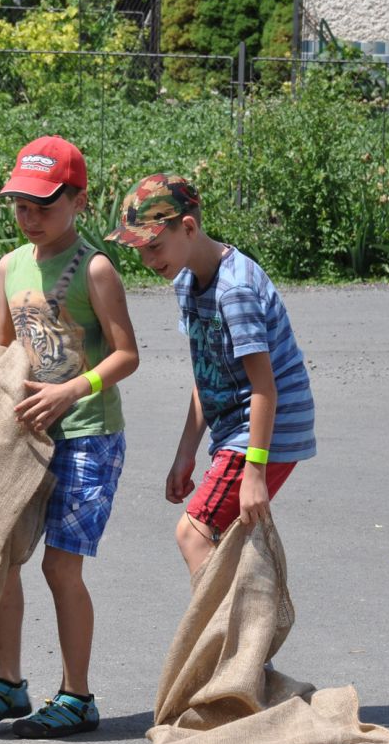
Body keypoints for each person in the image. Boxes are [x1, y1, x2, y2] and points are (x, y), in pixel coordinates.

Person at [0, 136, 139, 739]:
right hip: (25, 436)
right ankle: (9, 684)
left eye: (44, 206)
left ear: (78, 202)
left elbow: (127, 355)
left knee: (60, 567)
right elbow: (3, 349)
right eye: (21, 206)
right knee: (3, 557)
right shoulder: (11, 266)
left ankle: (77, 696)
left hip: (87, 436)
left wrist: (70, 390)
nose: (30, 218)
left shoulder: (96, 269)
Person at [105, 173, 315, 576]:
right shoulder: (187, 280)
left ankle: (218, 620)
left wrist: (255, 471)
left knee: (194, 535)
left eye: (154, 246)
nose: (148, 262)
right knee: (217, 544)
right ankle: (234, 617)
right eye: (140, 252)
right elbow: (207, 372)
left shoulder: (234, 290)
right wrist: (186, 451)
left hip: (267, 429)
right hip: (238, 427)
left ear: (188, 228)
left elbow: (265, 388)